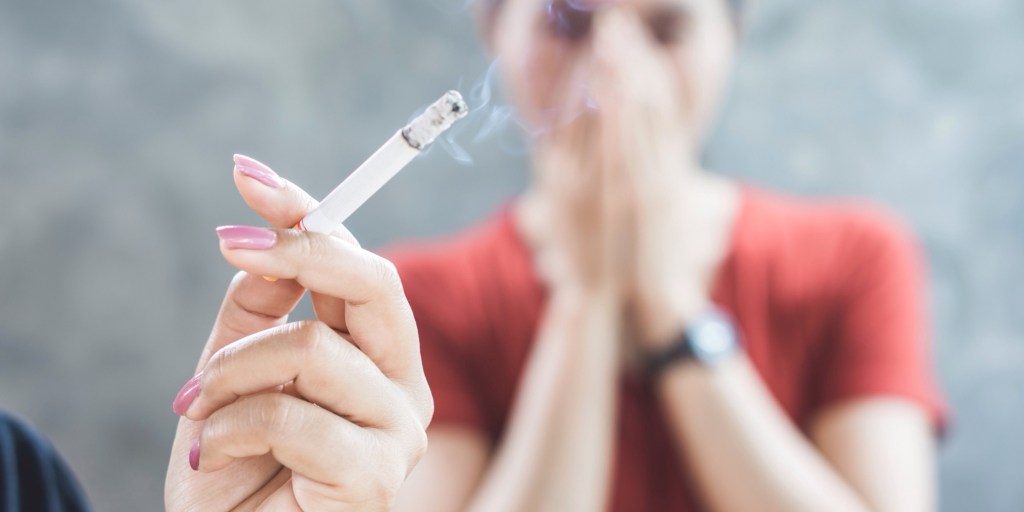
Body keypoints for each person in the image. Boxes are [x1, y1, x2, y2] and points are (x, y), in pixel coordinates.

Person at [165, 0, 946, 510]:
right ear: (494, 29)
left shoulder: (853, 256)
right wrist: (586, 296)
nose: (613, 69)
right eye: (568, 23)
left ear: (731, 40)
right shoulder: (417, 296)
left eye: (665, 29)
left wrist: (667, 301)